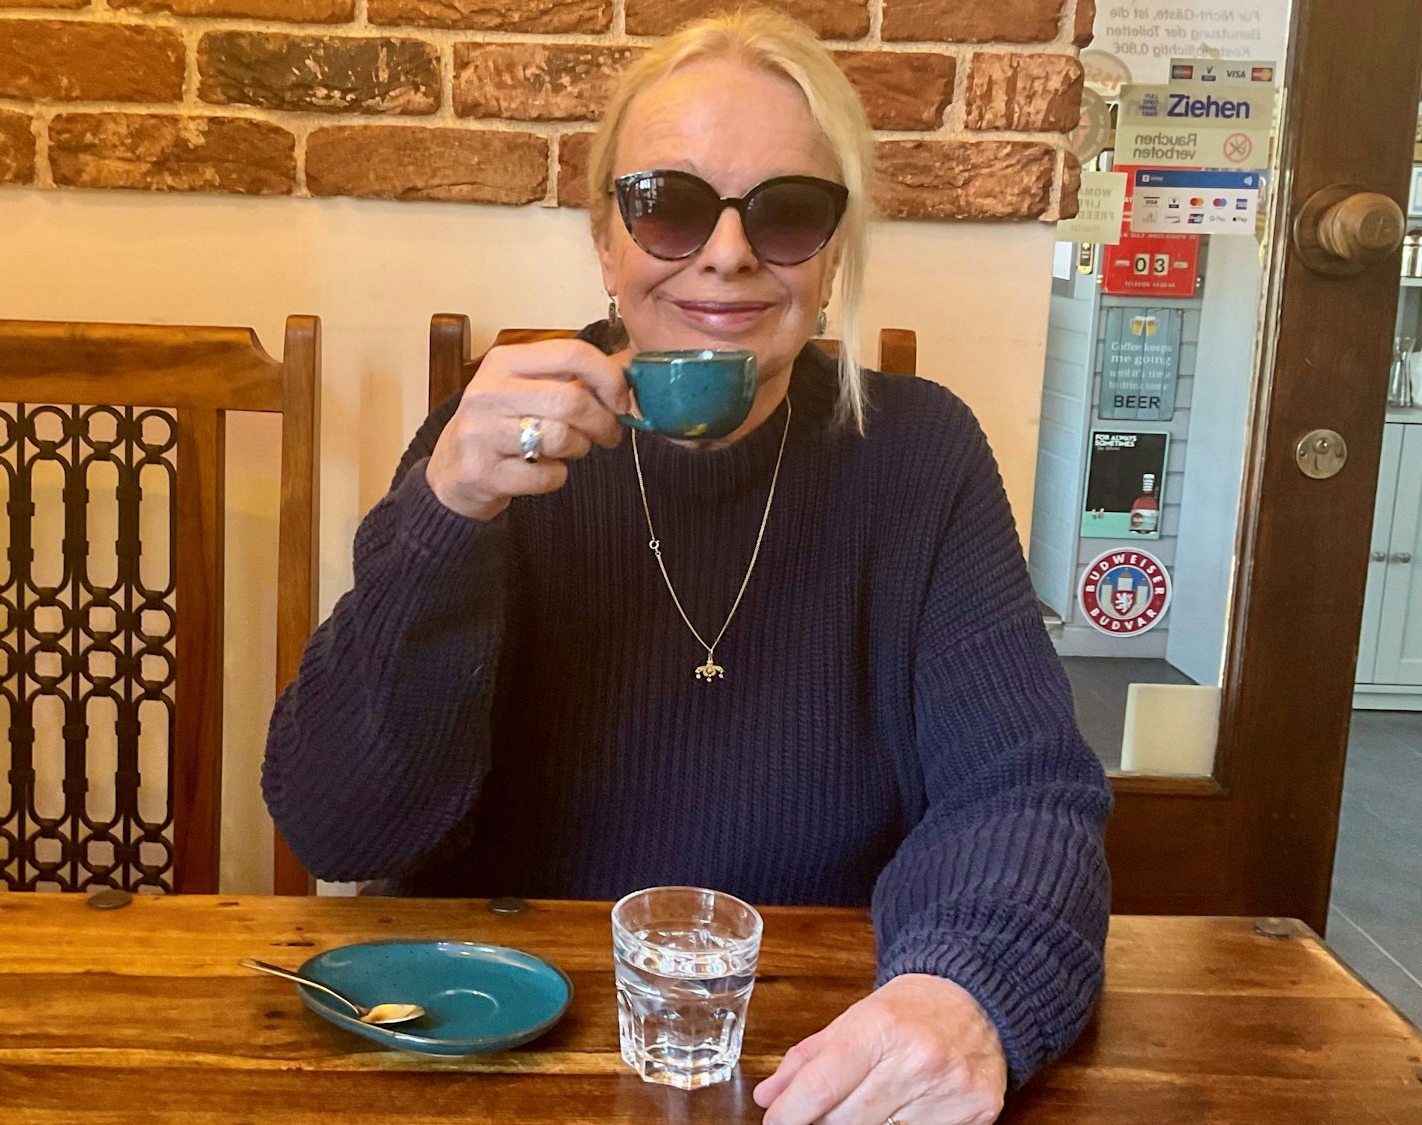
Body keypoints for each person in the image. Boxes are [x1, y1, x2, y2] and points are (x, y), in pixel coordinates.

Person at [262, 11, 1112, 1123]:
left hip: (816, 1061)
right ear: (605, 239)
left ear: (832, 250)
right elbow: (339, 826)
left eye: (787, 212)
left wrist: (963, 995)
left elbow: (1021, 791)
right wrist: (443, 515)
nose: (725, 253)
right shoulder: (488, 451)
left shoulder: (917, 456)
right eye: (667, 206)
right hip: (503, 1052)